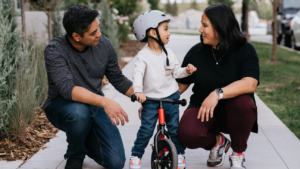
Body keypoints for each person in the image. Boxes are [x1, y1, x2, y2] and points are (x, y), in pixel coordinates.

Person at [43, 5, 134, 169]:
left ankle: (82, 135)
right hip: (62, 106)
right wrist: (105, 102)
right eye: (93, 33)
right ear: (76, 36)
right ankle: (75, 155)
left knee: (115, 162)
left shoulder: (104, 45)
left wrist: (144, 97)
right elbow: (68, 89)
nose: (99, 34)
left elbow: (118, 79)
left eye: (98, 28)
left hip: (93, 106)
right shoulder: (55, 50)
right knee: (79, 113)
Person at [176, 4, 260, 169]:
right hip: (203, 109)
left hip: (234, 112)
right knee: (187, 134)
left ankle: (238, 155)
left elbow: (250, 84)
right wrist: (156, 101)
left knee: (244, 103)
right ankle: (218, 141)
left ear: (220, 27)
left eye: (205, 25)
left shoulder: (245, 51)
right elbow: (180, 86)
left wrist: (217, 93)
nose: (200, 30)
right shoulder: (196, 53)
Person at [129, 10, 197, 169]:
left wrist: (186, 71)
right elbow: (137, 74)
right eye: (165, 29)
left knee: (174, 129)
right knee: (146, 130)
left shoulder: (169, 52)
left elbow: (175, 72)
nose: (169, 33)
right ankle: (136, 155)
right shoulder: (143, 56)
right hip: (150, 100)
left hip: (171, 98)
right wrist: (138, 91)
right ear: (152, 32)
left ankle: (179, 154)